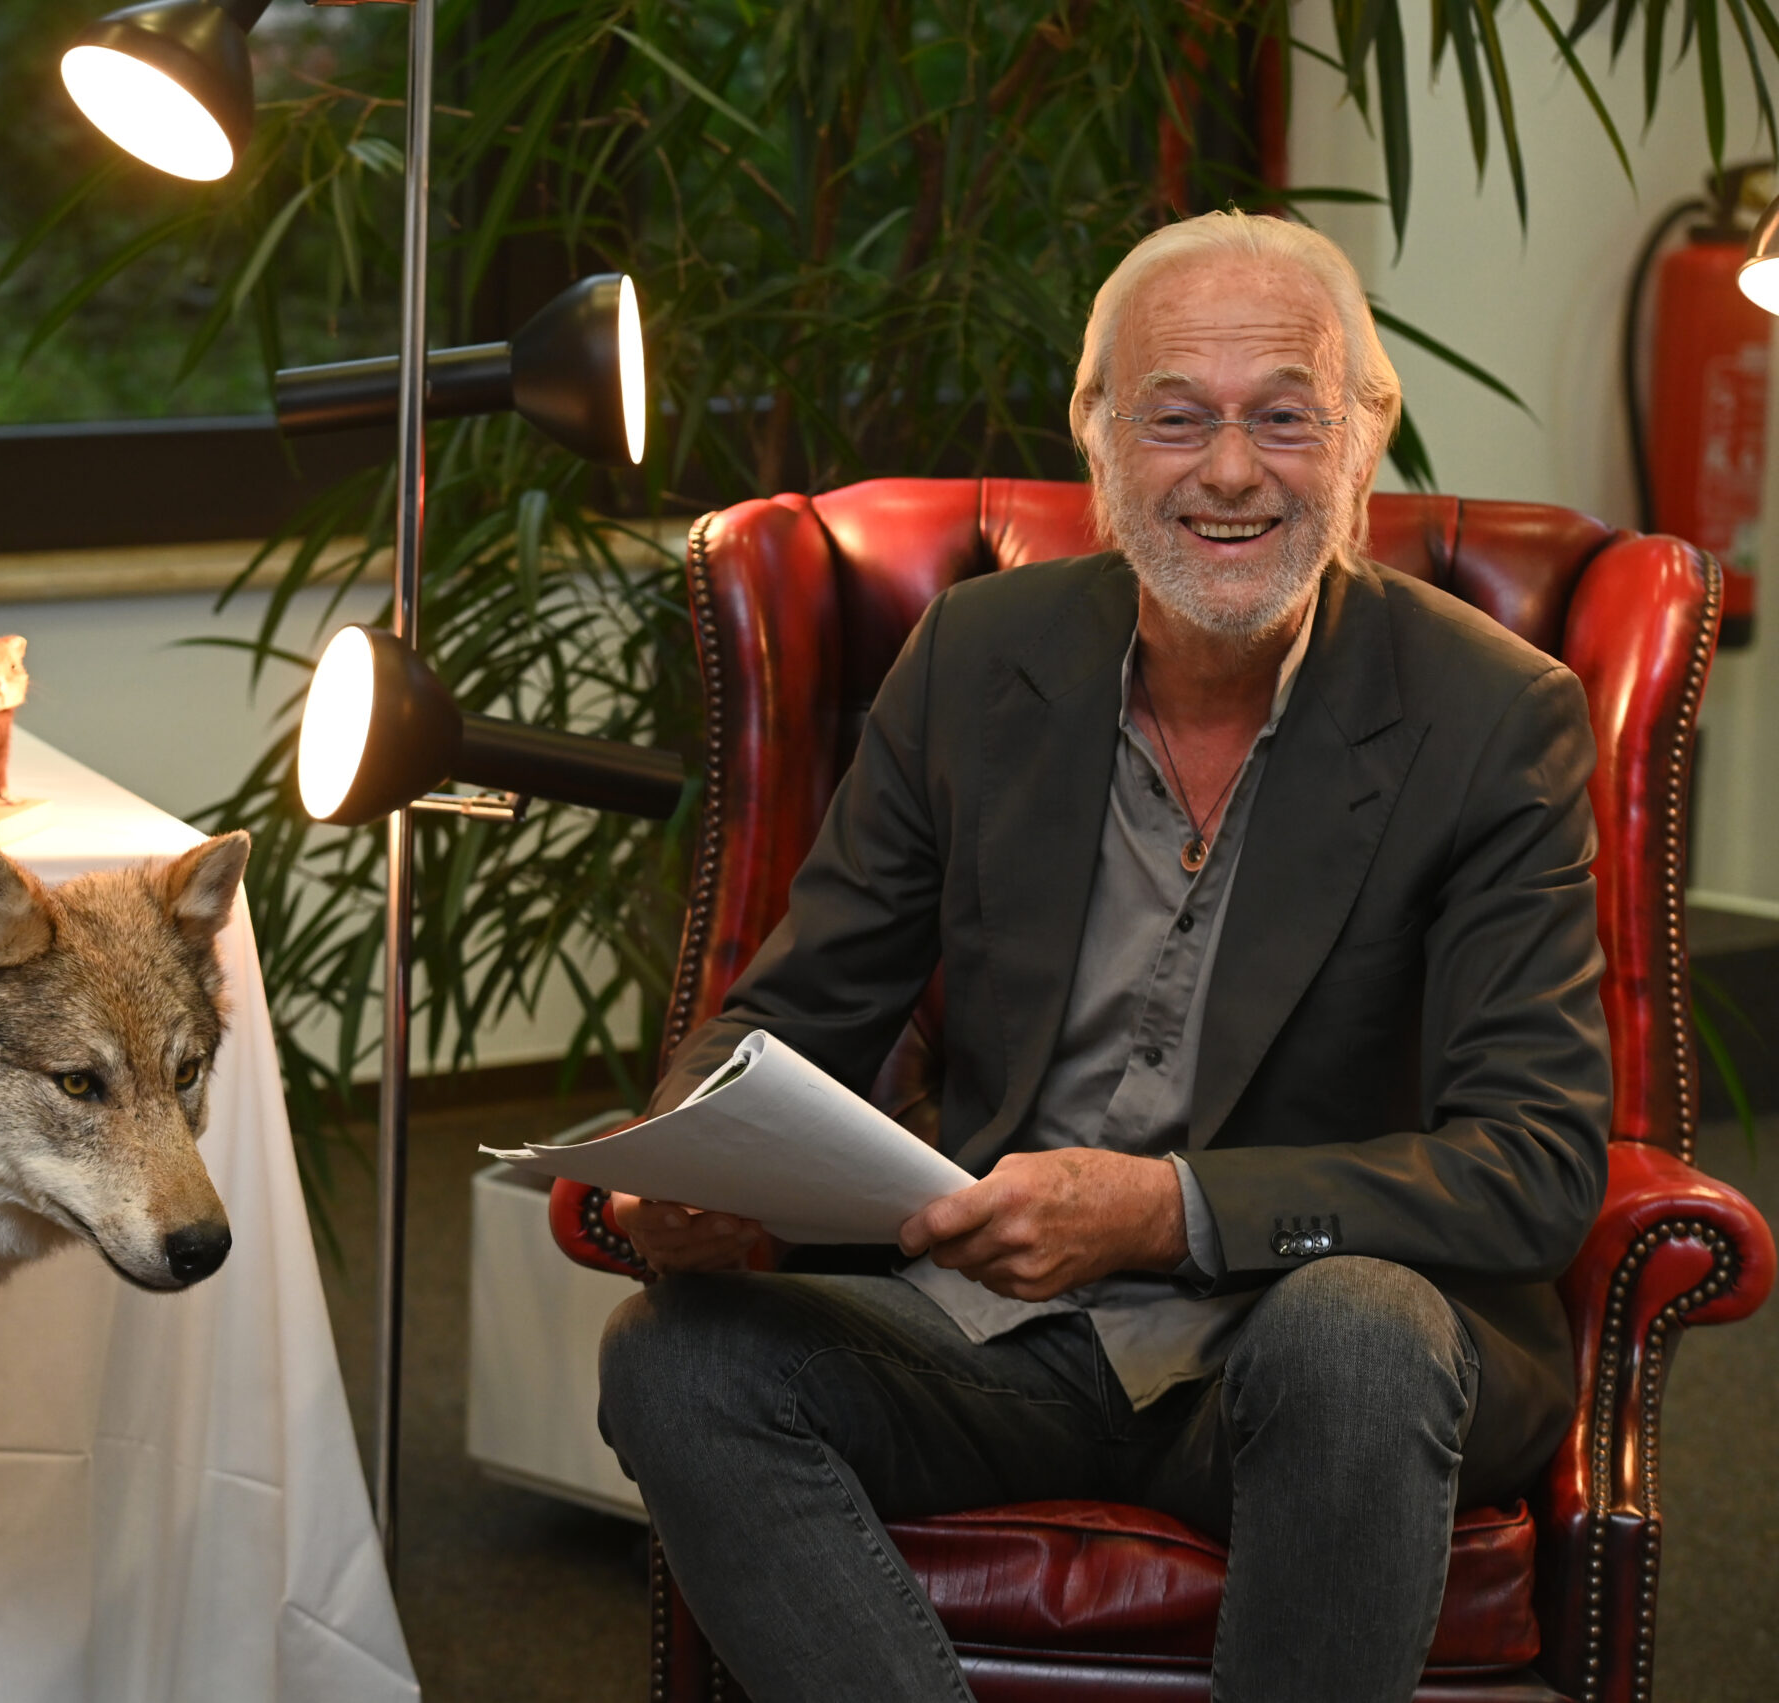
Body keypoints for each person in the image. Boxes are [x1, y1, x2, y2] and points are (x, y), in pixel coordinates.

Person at [595, 210, 1609, 1703]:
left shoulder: (1490, 718)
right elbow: (794, 1016)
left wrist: (1166, 1212)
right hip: (1000, 1335)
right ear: (1098, 437)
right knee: (671, 1358)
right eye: (1176, 416)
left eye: (1285, 415)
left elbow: (1532, 1164)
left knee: (1363, 1334)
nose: (1229, 471)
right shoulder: (975, 657)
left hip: (1299, 1341)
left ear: (1366, 434)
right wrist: (695, 1168)